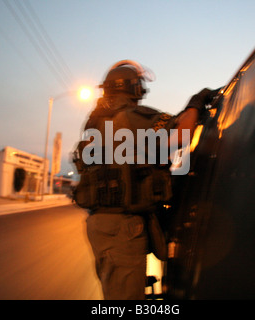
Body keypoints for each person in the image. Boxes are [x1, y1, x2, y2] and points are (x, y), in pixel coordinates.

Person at [72, 60, 218, 300]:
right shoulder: (130, 116)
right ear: (133, 87)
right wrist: (196, 103)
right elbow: (181, 135)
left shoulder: (96, 121)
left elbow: (134, 160)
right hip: (122, 228)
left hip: (102, 225)